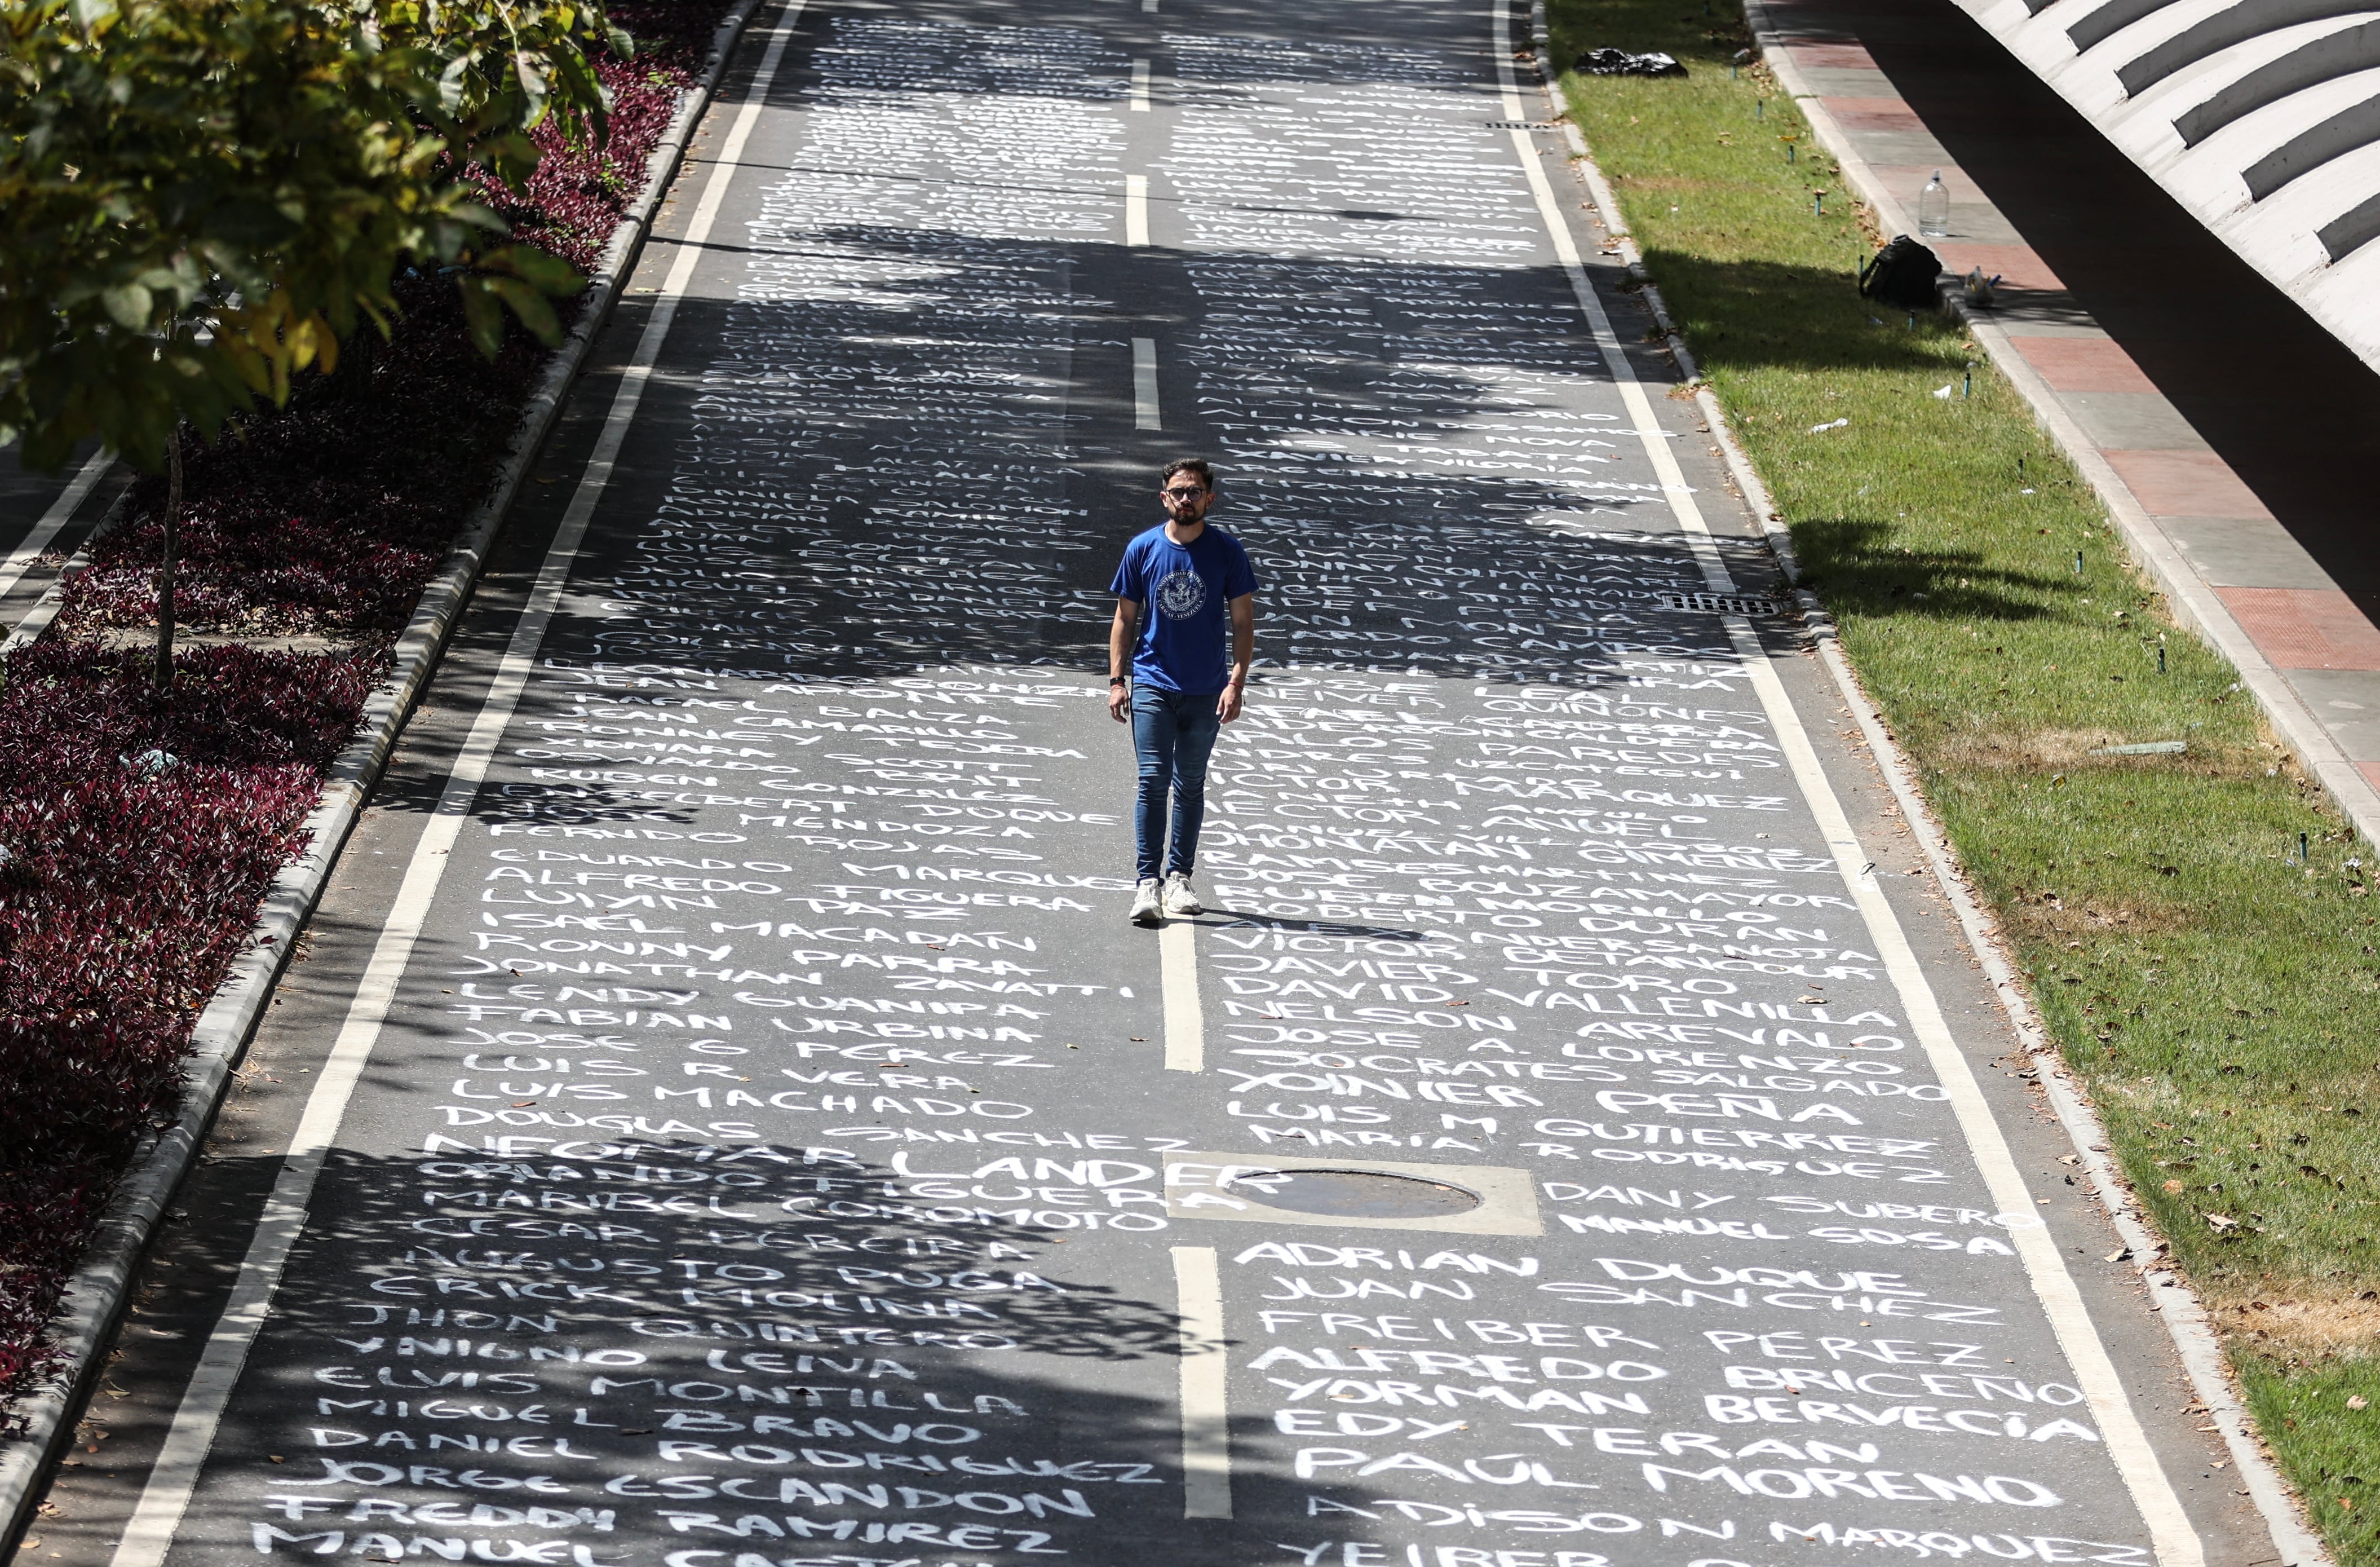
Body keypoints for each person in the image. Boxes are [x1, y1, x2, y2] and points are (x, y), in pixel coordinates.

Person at [1107, 459, 1257, 926]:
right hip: (1152, 681)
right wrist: (1117, 680)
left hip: (1206, 689)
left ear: (1210, 498)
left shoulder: (1227, 552)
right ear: (1164, 497)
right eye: (1178, 491)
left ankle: (1180, 876)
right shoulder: (1143, 549)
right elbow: (1125, 619)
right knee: (1153, 779)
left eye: (1195, 491)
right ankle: (1147, 881)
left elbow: (1243, 622)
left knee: (1189, 784)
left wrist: (1236, 681)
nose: (1186, 499)